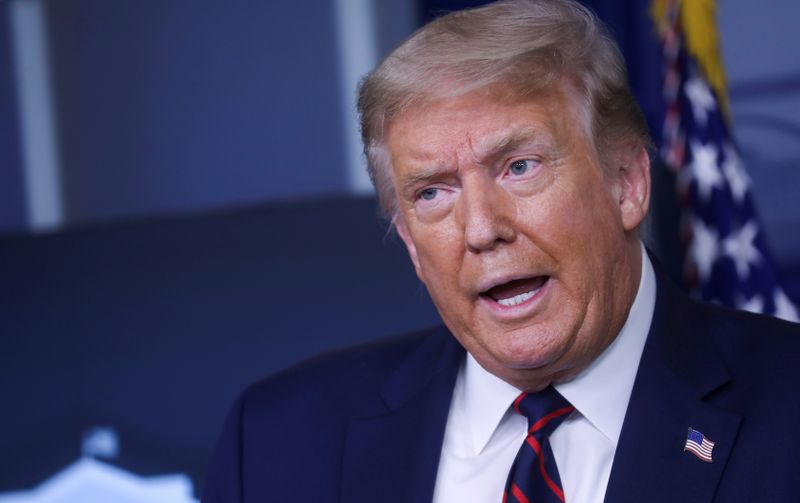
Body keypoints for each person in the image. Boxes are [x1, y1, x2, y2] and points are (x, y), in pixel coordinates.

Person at [203, 1, 800, 502]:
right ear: (410, 240)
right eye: (432, 192)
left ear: (626, 183)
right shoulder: (278, 441)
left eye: (519, 166)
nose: (482, 229)